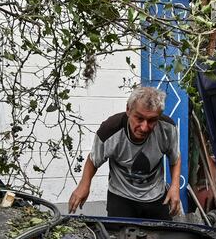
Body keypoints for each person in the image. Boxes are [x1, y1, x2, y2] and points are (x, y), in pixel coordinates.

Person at [68, 86, 181, 220]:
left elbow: (175, 158)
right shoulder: (109, 131)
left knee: (163, 238)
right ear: (128, 109)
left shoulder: (167, 128)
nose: (144, 127)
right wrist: (84, 184)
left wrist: (175, 187)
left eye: (151, 120)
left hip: (156, 197)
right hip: (121, 197)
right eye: (139, 118)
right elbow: (93, 160)